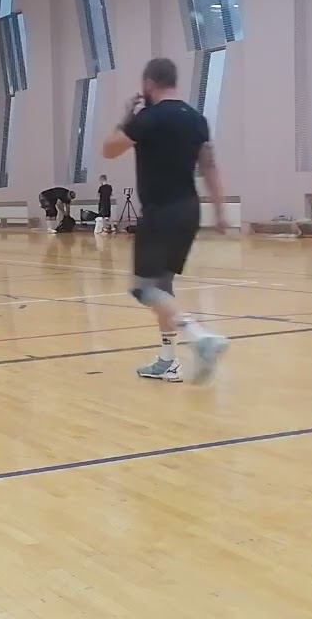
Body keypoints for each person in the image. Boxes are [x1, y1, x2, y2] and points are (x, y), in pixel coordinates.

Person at [103, 57, 229, 383]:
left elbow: (109, 149)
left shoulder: (148, 118)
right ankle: (168, 361)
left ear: (148, 84)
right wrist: (220, 210)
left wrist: (126, 117)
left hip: (161, 212)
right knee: (162, 287)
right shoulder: (196, 119)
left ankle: (200, 336)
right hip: (189, 211)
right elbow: (210, 167)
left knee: (142, 288)